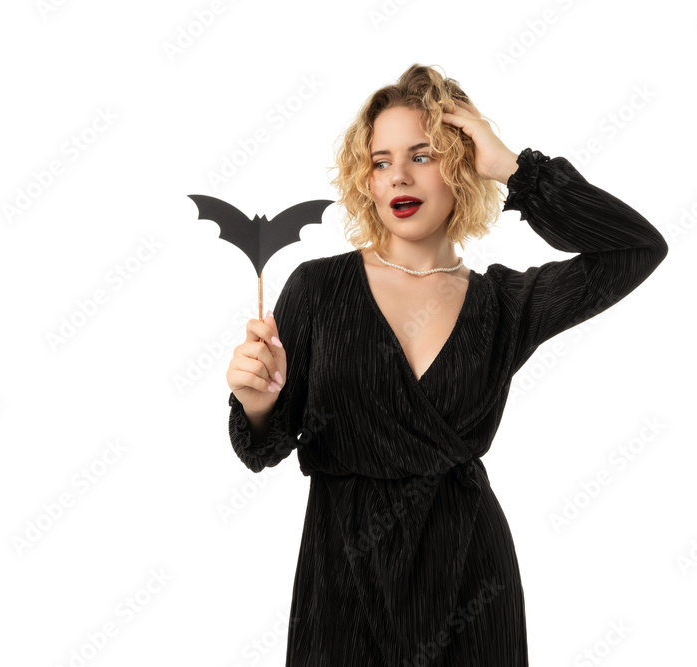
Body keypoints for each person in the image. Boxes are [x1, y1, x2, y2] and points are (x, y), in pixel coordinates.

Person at [224, 63, 668, 666]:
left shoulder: (503, 305)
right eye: (380, 161)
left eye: (423, 155)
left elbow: (635, 249)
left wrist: (514, 168)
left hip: (468, 581)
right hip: (343, 582)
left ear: (461, 162)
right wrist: (258, 402)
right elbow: (263, 447)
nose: (399, 176)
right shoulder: (318, 288)